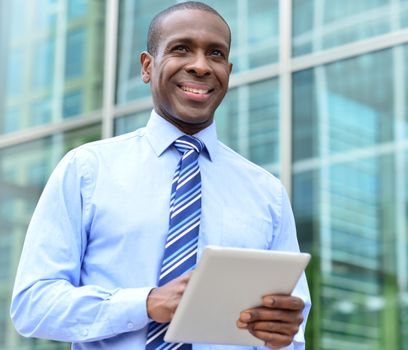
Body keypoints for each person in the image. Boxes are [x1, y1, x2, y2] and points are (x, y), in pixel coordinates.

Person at [10, 2, 311, 350]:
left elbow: (293, 330)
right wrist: (146, 303)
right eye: (181, 48)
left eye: (215, 54)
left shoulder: (266, 192)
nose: (200, 65)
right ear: (147, 66)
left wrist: (282, 335)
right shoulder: (86, 170)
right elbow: (33, 304)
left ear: (227, 70)